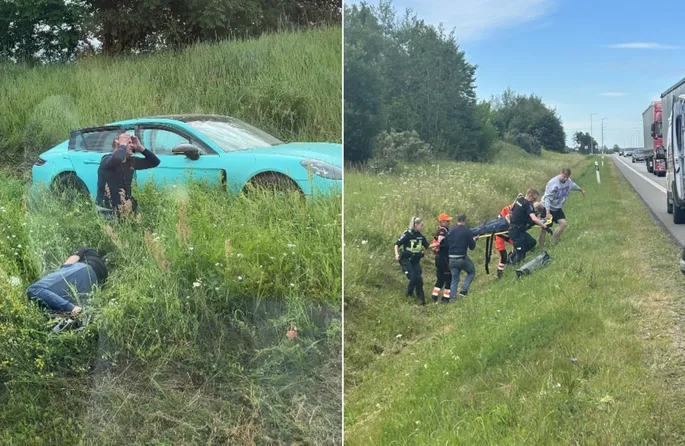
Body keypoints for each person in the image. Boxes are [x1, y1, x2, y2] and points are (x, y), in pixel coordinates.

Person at [26, 247, 108, 315]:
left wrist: (59, 272)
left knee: (34, 289)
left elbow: (68, 263)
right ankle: (76, 310)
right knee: (53, 299)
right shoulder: (101, 266)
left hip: (84, 269)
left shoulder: (85, 250)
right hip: (94, 285)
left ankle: (73, 308)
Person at [96, 132, 161, 214]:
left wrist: (140, 148)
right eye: (128, 142)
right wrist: (122, 145)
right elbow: (117, 159)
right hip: (107, 210)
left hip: (125, 208)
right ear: (117, 144)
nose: (132, 145)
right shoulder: (106, 160)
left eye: (132, 143)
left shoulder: (131, 162)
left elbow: (155, 162)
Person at [541, 167, 586, 244]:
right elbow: (547, 198)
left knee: (563, 224)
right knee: (544, 229)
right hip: (548, 207)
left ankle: (553, 241)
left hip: (557, 208)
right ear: (560, 173)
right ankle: (541, 247)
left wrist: (581, 190)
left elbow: (573, 185)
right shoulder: (553, 183)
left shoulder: (568, 181)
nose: (565, 179)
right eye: (563, 176)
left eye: (567, 177)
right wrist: (548, 213)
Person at [394, 217, 430, 305]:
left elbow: (428, 246)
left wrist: (439, 244)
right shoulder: (407, 234)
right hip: (406, 260)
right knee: (413, 277)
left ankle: (422, 300)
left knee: (419, 280)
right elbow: (396, 244)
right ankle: (408, 295)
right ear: (416, 225)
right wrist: (396, 254)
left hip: (415, 261)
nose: (422, 227)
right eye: (421, 225)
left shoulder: (420, 236)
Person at [508, 188, 550, 265]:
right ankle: (514, 263)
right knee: (520, 251)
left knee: (532, 242)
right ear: (530, 195)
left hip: (520, 230)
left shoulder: (519, 199)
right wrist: (545, 226)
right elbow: (534, 218)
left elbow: (511, 210)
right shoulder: (527, 205)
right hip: (515, 231)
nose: (535, 200)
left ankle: (517, 254)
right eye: (534, 198)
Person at [446, 214, 478, 300]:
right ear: (464, 221)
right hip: (461, 258)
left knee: (454, 279)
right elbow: (472, 247)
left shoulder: (450, 231)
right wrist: (474, 240)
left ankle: (452, 299)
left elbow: (446, 243)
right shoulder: (467, 231)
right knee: (471, 272)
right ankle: (463, 290)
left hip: (451, 258)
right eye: (467, 220)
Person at [430, 213, 453, 304]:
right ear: (442, 221)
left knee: (441, 277)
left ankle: (435, 296)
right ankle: (445, 298)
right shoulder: (442, 231)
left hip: (439, 257)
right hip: (443, 257)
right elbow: (441, 242)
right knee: (448, 277)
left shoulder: (441, 229)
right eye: (447, 221)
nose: (449, 222)